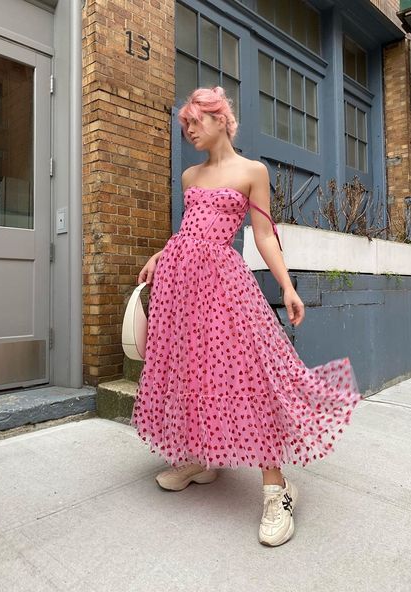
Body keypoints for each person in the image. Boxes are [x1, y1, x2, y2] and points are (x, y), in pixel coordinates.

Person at [130, 86, 361, 547]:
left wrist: (289, 287)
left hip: (225, 286)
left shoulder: (253, 171)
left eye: (195, 120)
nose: (189, 129)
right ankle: (199, 458)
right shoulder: (190, 176)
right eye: (185, 124)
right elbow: (187, 231)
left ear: (220, 119)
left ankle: (277, 490)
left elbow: (264, 236)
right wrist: (162, 252)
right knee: (190, 372)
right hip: (180, 288)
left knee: (250, 378)